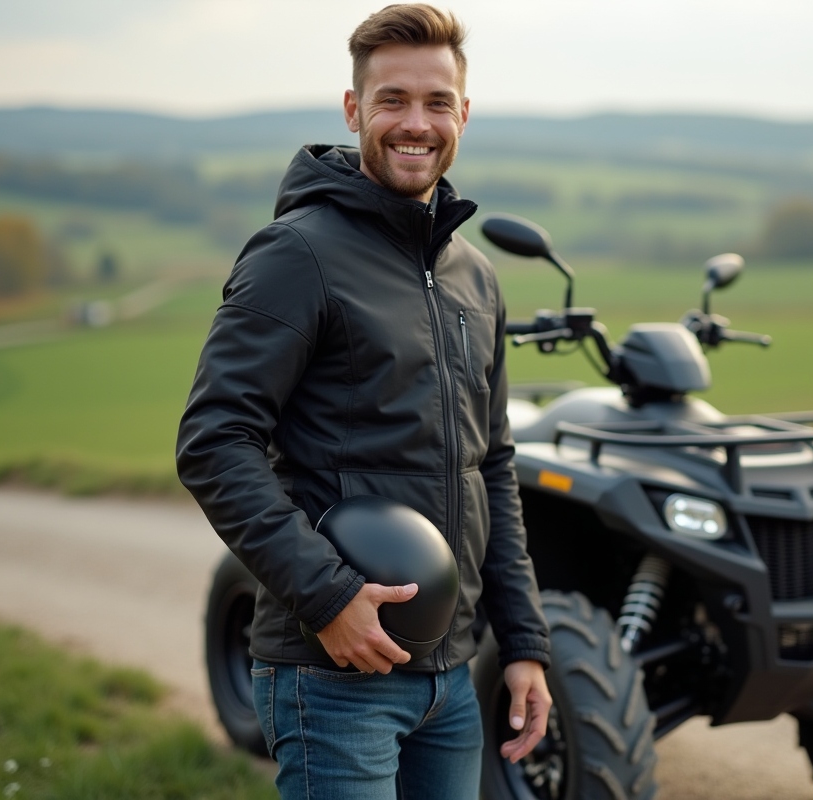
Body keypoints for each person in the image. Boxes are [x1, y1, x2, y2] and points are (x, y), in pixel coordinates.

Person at [175, 5, 552, 798]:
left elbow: (494, 465)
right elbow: (214, 442)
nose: (415, 123)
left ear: (463, 114)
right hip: (333, 674)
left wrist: (523, 642)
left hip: (450, 683)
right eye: (393, 100)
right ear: (354, 111)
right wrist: (330, 597)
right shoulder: (296, 254)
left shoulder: (474, 276)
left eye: (436, 102)